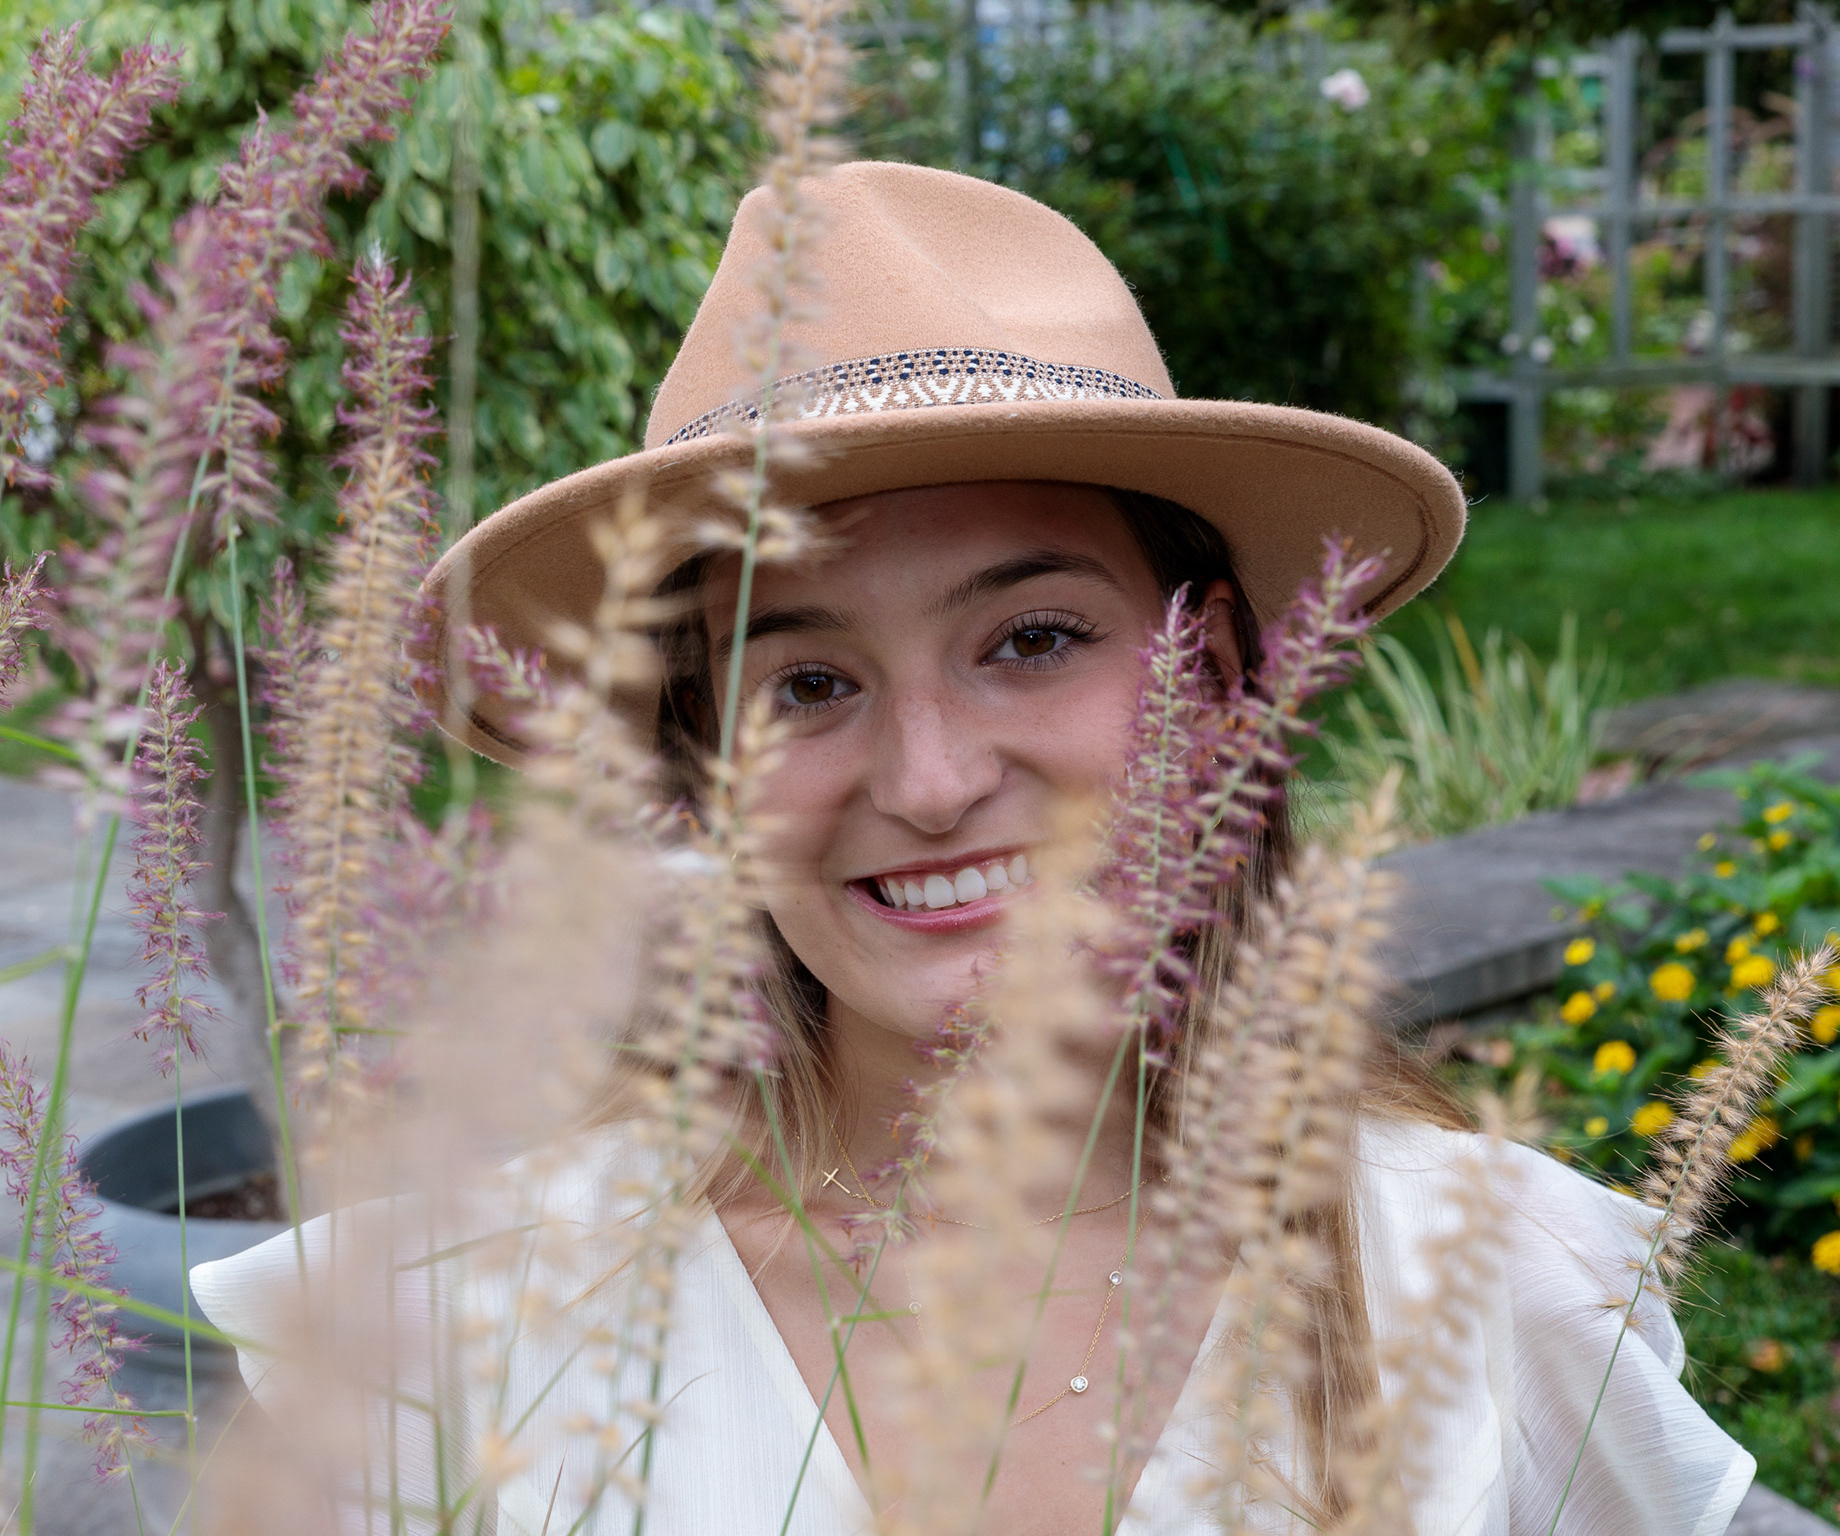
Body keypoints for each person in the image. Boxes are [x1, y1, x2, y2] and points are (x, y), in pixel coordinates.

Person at [193, 162, 1753, 1535]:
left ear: (1216, 674)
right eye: (807, 683)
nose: (931, 782)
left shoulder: (1492, 1282)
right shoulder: (443, 1336)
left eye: (1034, 638)